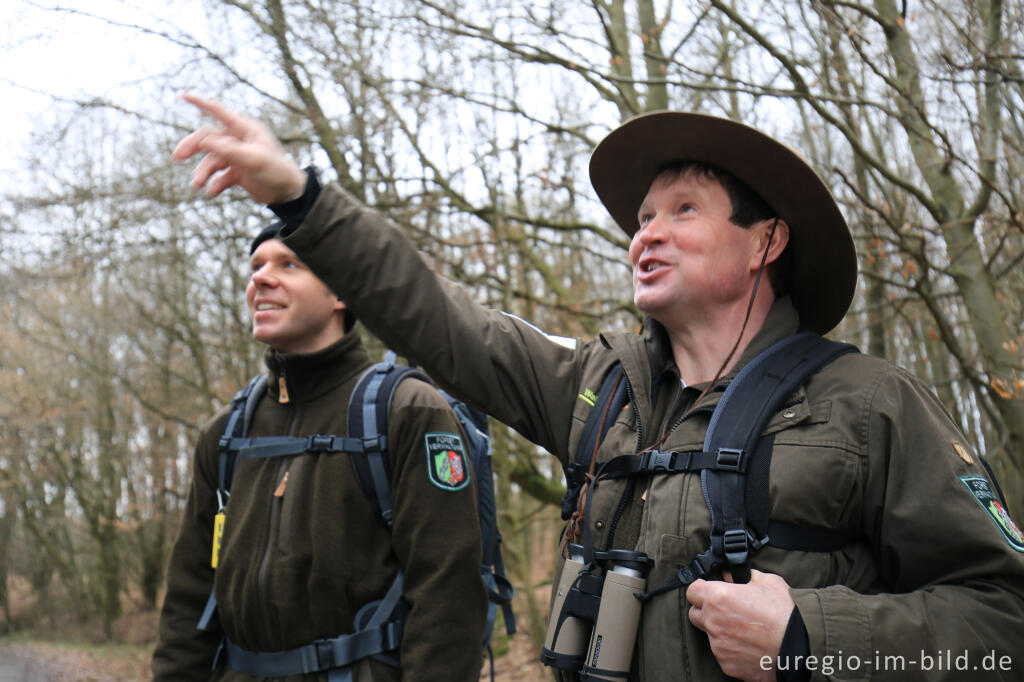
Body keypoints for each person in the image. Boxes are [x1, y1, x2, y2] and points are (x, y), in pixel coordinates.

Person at [172, 93, 1024, 681]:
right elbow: (437, 318)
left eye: (682, 210)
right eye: (642, 218)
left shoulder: (868, 404)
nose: (645, 234)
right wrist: (300, 198)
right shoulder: (597, 387)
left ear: (766, 241)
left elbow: (1003, 629)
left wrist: (812, 637)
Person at [151, 217, 487, 681]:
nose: (261, 278)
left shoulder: (406, 412)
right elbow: (188, 602)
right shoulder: (226, 433)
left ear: (341, 292)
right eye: (256, 265)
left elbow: (448, 598)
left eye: (289, 264)